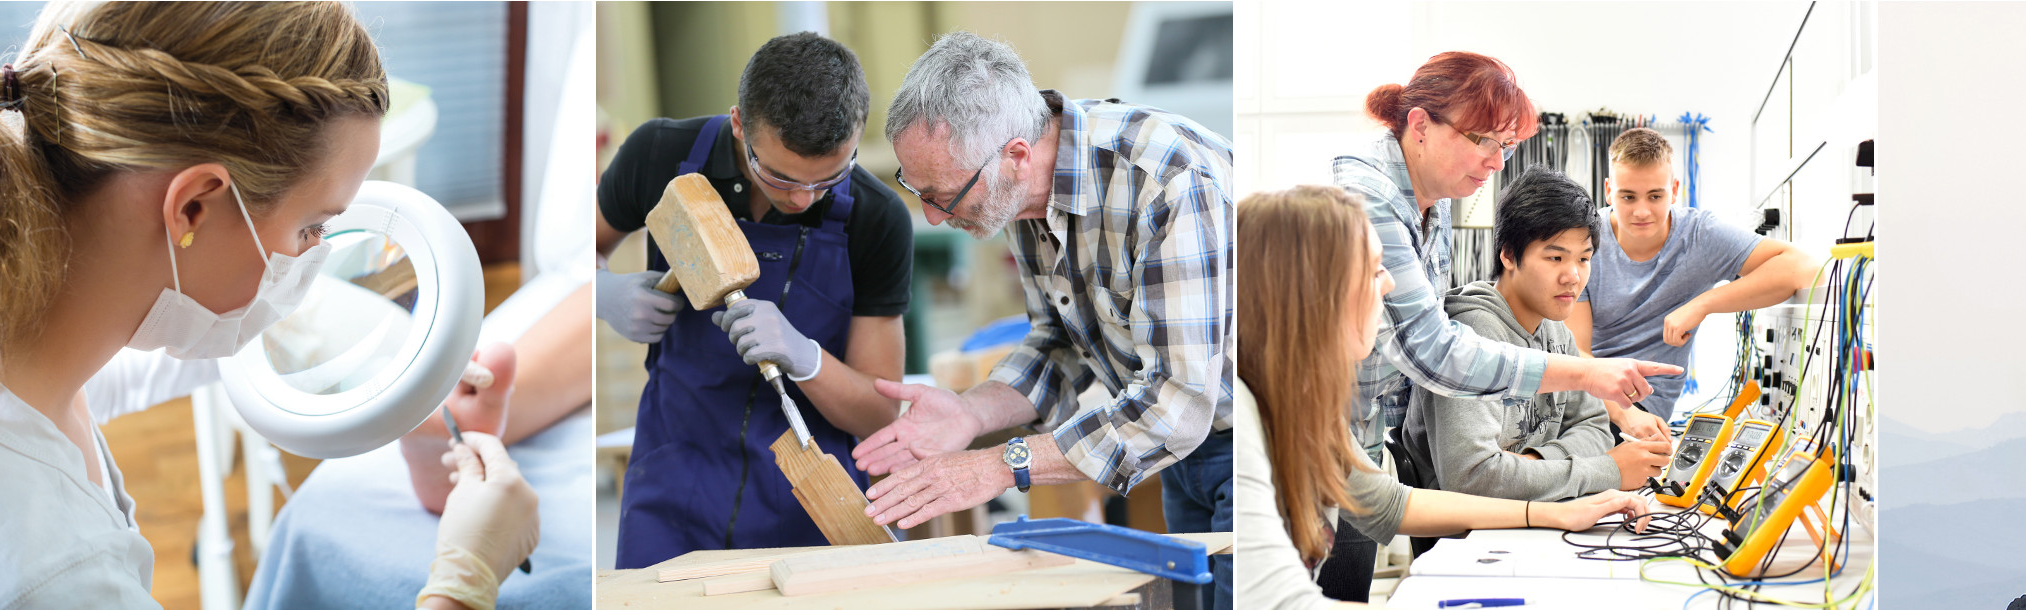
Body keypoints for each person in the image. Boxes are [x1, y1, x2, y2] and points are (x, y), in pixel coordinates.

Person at [0, 3, 535, 608]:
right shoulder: (47, 571)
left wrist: (395, 361)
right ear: (193, 208)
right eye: (313, 228)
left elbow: (134, 365)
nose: (312, 262)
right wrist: (464, 582)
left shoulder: (2, 324)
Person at [850, 32, 1235, 608]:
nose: (932, 215)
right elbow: (1060, 340)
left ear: (1017, 155)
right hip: (1189, 453)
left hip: (1266, 441)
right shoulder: (1022, 194)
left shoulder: (1166, 180)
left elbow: (1174, 403)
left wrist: (1000, 466)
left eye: (945, 196)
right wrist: (971, 411)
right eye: (918, 190)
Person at [1326, 52, 1672, 601]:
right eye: (1483, 141)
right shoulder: (1368, 199)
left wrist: (1545, 464)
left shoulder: (1428, 204)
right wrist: (1595, 435)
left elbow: (1389, 499)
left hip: (1361, 460)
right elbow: (1432, 351)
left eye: (1505, 147)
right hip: (1326, 452)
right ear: (1419, 125)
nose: (1495, 162)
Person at [1231, 185, 1655, 610]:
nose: (1391, 283)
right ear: (1312, 291)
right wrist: (1598, 472)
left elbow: (1389, 503)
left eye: (1583, 258)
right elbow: (1283, 601)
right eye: (1374, 270)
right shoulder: (1248, 420)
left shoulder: (1306, 407)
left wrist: (1553, 511)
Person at [592, 31, 913, 569]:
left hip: (809, 501)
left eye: (829, 177)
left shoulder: (876, 219)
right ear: (740, 125)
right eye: (780, 177)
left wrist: (806, 358)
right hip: (672, 486)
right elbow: (575, 254)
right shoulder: (660, 155)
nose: (802, 199)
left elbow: (879, 414)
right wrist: (601, 293)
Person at [1403, 166, 1675, 501]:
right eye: (1555, 257)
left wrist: (1533, 463)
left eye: (1584, 259)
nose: (1573, 276)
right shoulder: (1471, 334)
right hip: (1472, 538)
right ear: (1508, 255)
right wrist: (1609, 471)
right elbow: (1472, 479)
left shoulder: (1556, 329)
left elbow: (1595, 427)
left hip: (1539, 514)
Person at [1567, 127, 1814, 440]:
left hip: (1641, 414)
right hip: (1590, 399)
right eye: (1627, 197)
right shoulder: (1584, 241)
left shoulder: (1700, 236)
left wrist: (1702, 304)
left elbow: (1801, 266)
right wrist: (1623, 414)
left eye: (1655, 196)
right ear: (1607, 190)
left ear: (1674, 190)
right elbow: (1576, 354)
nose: (1641, 211)